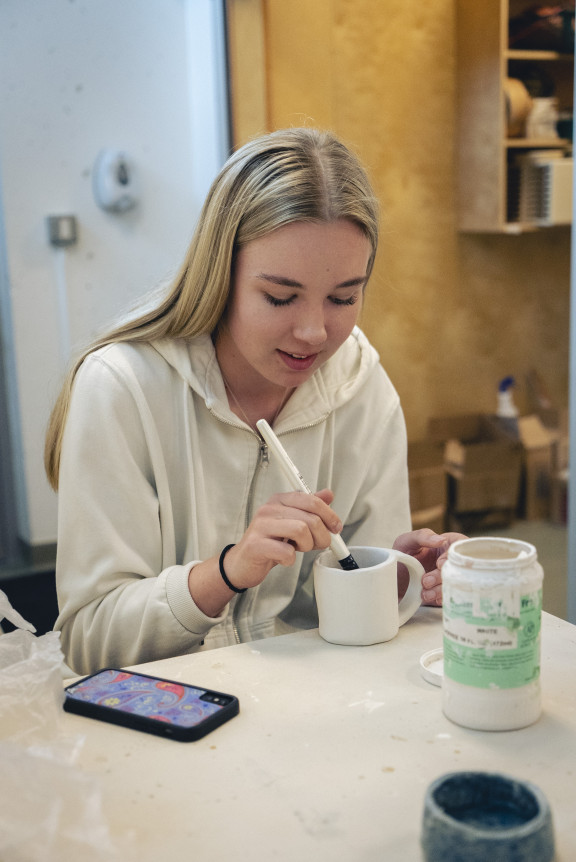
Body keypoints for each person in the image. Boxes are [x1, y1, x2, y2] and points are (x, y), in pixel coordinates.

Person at [45, 127, 463, 675]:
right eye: (280, 296)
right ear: (220, 274)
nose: (314, 332)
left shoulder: (360, 384)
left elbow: (354, 618)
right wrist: (226, 572)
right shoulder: (122, 387)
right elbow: (90, 640)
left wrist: (400, 577)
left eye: (343, 296)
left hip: (302, 713)